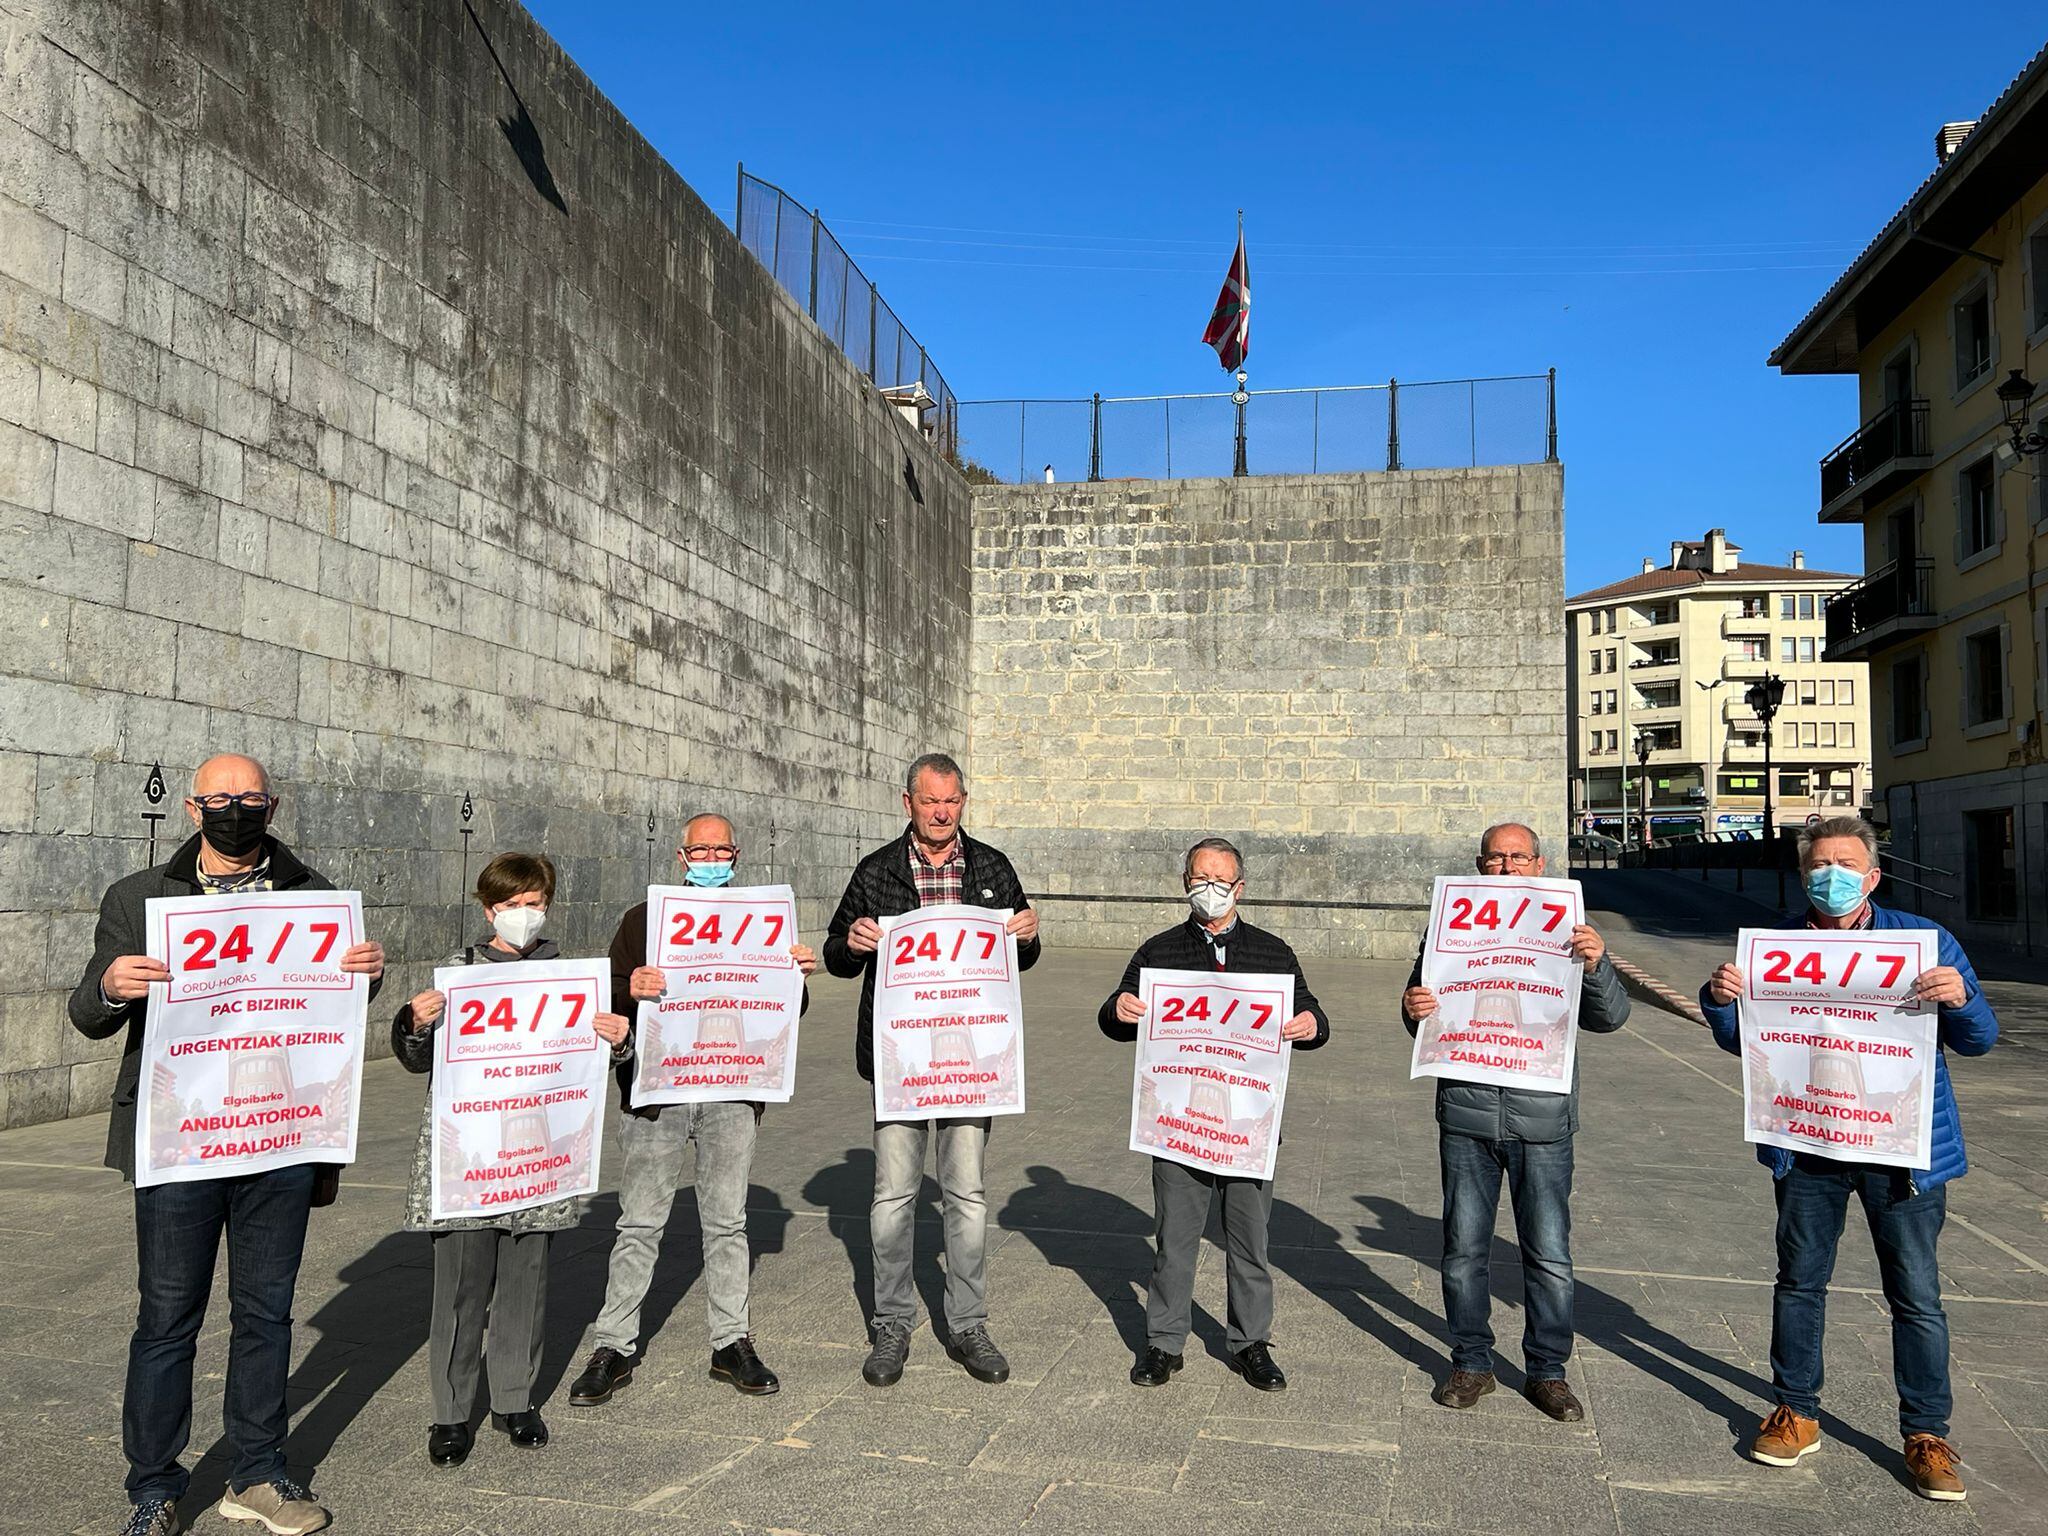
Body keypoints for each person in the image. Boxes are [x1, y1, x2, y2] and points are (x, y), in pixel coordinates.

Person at [68, 755, 385, 1536]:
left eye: (249, 798)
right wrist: (114, 985)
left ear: (272, 805)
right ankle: (153, 1484)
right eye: (221, 798)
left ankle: (258, 1472)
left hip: (277, 1140)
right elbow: (86, 1011)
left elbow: (331, 1008)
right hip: (181, 1142)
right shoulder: (139, 898)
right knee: (169, 1316)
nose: (235, 809)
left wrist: (365, 975)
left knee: (266, 1314)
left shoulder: (313, 898)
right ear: (191, 808)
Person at [1699, 815, 1997, 1501]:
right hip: (1808, 1146)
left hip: (1902, 1152)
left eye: (1845, 865)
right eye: (1818, 867)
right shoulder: (1773, 947)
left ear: (1872, 875)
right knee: (1799, 1281)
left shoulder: (1925, 944)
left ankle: (1926, 1433)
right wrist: (1722, 1004)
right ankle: (1797, 1411)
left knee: (1916, 1295)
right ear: (1804, 876)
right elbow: (1747, 1045)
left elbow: (1980, 1040)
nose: (1830, 877)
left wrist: (1963, 998)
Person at [567, 814, 817, 1406]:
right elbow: (609, 991)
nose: (710, 858)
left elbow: (787, 1007)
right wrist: (635, 987)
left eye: (720, 849)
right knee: (639, 1222)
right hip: (658, 1092)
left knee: (728, 1221)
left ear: (736, 854)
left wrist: (795, 974)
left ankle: (732, 1341)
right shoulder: (644, 919)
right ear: (682, 857)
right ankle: (614, 1344)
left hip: (731, 1090)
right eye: (699, 849)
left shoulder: (762, 921)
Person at [391, 853, 630, 1465]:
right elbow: (417, 1059)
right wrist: (414, 1023)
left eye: (533, 902)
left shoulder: (573, 978)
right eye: (510, 904)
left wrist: (621, 1041)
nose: (523, 914)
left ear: (547, 904)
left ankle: (515, 1400)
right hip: (470, 1159)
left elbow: (602, 1064)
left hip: (538, 1158)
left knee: (527, 1280)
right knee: (461, 1288)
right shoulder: (458, 971)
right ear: (487, 908)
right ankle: (449, 1413)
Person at [823, 752, 1040, 1389]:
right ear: (908, 802)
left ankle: (968, 1322)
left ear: (963, 802)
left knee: (966, 1194)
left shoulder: (993, 867)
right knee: (893, 1196)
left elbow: (1021, 957)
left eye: (952, 801)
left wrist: (1026, 934)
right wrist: (852, 943)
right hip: (901, 1061)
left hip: (971, 1062)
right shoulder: (876, 870)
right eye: (929, 801)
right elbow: (836, 952)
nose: (942, 812)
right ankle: (892, 1321)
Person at [1399, 822, 1627, 1422]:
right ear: (1479, 865)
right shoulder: (1448, 925)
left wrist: (1598, 964)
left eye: (1517, 857)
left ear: (1539, 863)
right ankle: (1472, 1360)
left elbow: (1609, 1018)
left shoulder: (1571, 929)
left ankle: (1548, 1371)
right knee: (1462, 1252)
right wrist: (1412, 1006)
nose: (1506, 867)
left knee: (1549, 1254)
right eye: (1495, 858)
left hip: (1543, 1120)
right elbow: (1422, 1011)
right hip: (1467, 1115)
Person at [1098, 837, 1328, 1392]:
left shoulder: (1273, 953)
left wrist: (1311, 1024)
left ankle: (1250, 1342)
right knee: (1174, 1238)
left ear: (1240, 888)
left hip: (1246, 1127)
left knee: (1250, 1239)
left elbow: (1314, 1013)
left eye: (1221, 881)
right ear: (1185, 884)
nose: (1210, 890)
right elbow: (1113, 1013)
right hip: (1179, 1126)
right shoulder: (1158, 952)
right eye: (1200, 879)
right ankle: (1162, 1342)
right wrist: (1118, 1008)